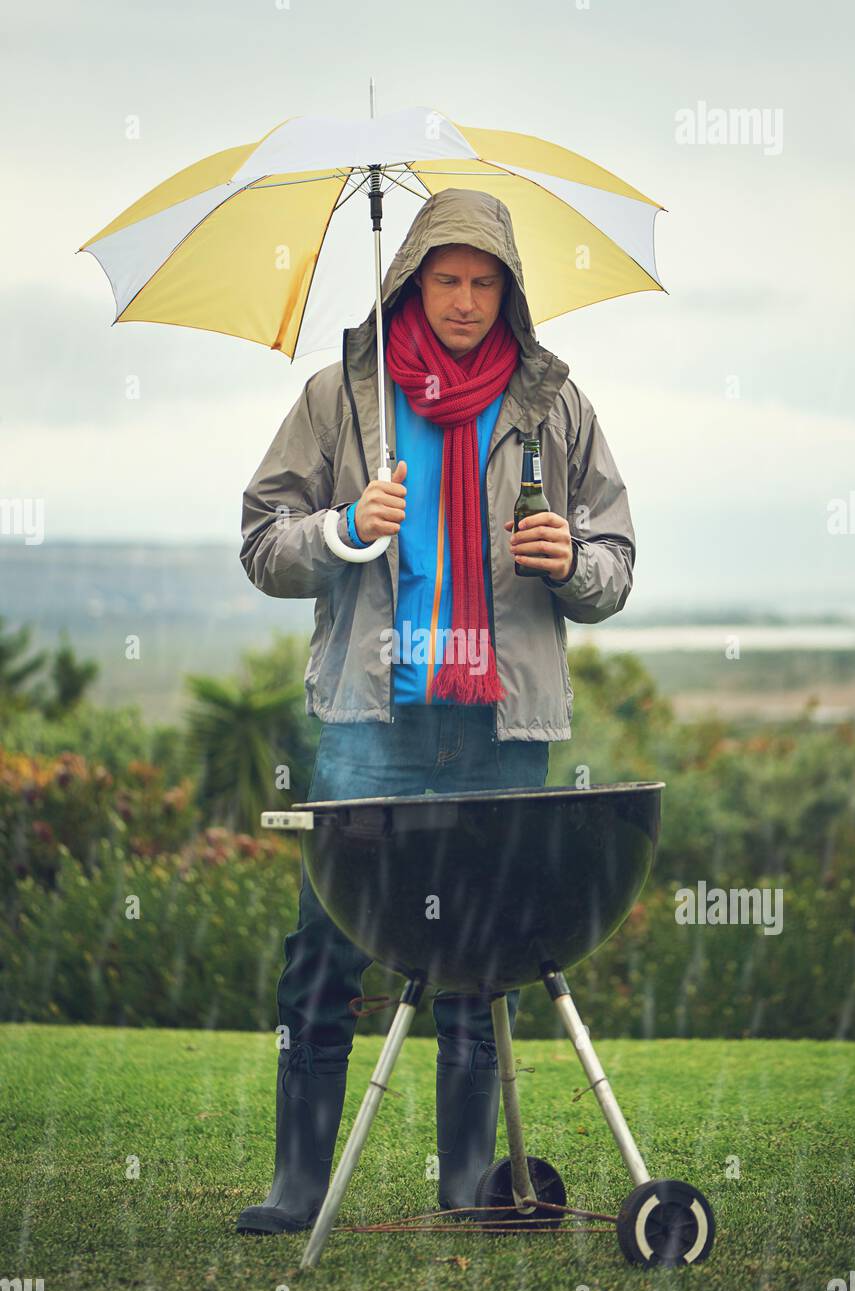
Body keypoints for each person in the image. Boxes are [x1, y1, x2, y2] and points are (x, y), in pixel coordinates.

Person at [236, 186, 636, 1234]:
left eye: (483, 281)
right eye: (446, 279)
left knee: (480, 958)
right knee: (324, 948)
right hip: (370, 723)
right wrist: (339, 528)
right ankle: (295, 1188)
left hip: (501, 727)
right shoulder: (342, 399)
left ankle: (465, 1187)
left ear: (508, 291)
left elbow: (617, 563)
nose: (463, 300)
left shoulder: (555, 404)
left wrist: (574, 562)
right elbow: (262, 544)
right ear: (412, 279)